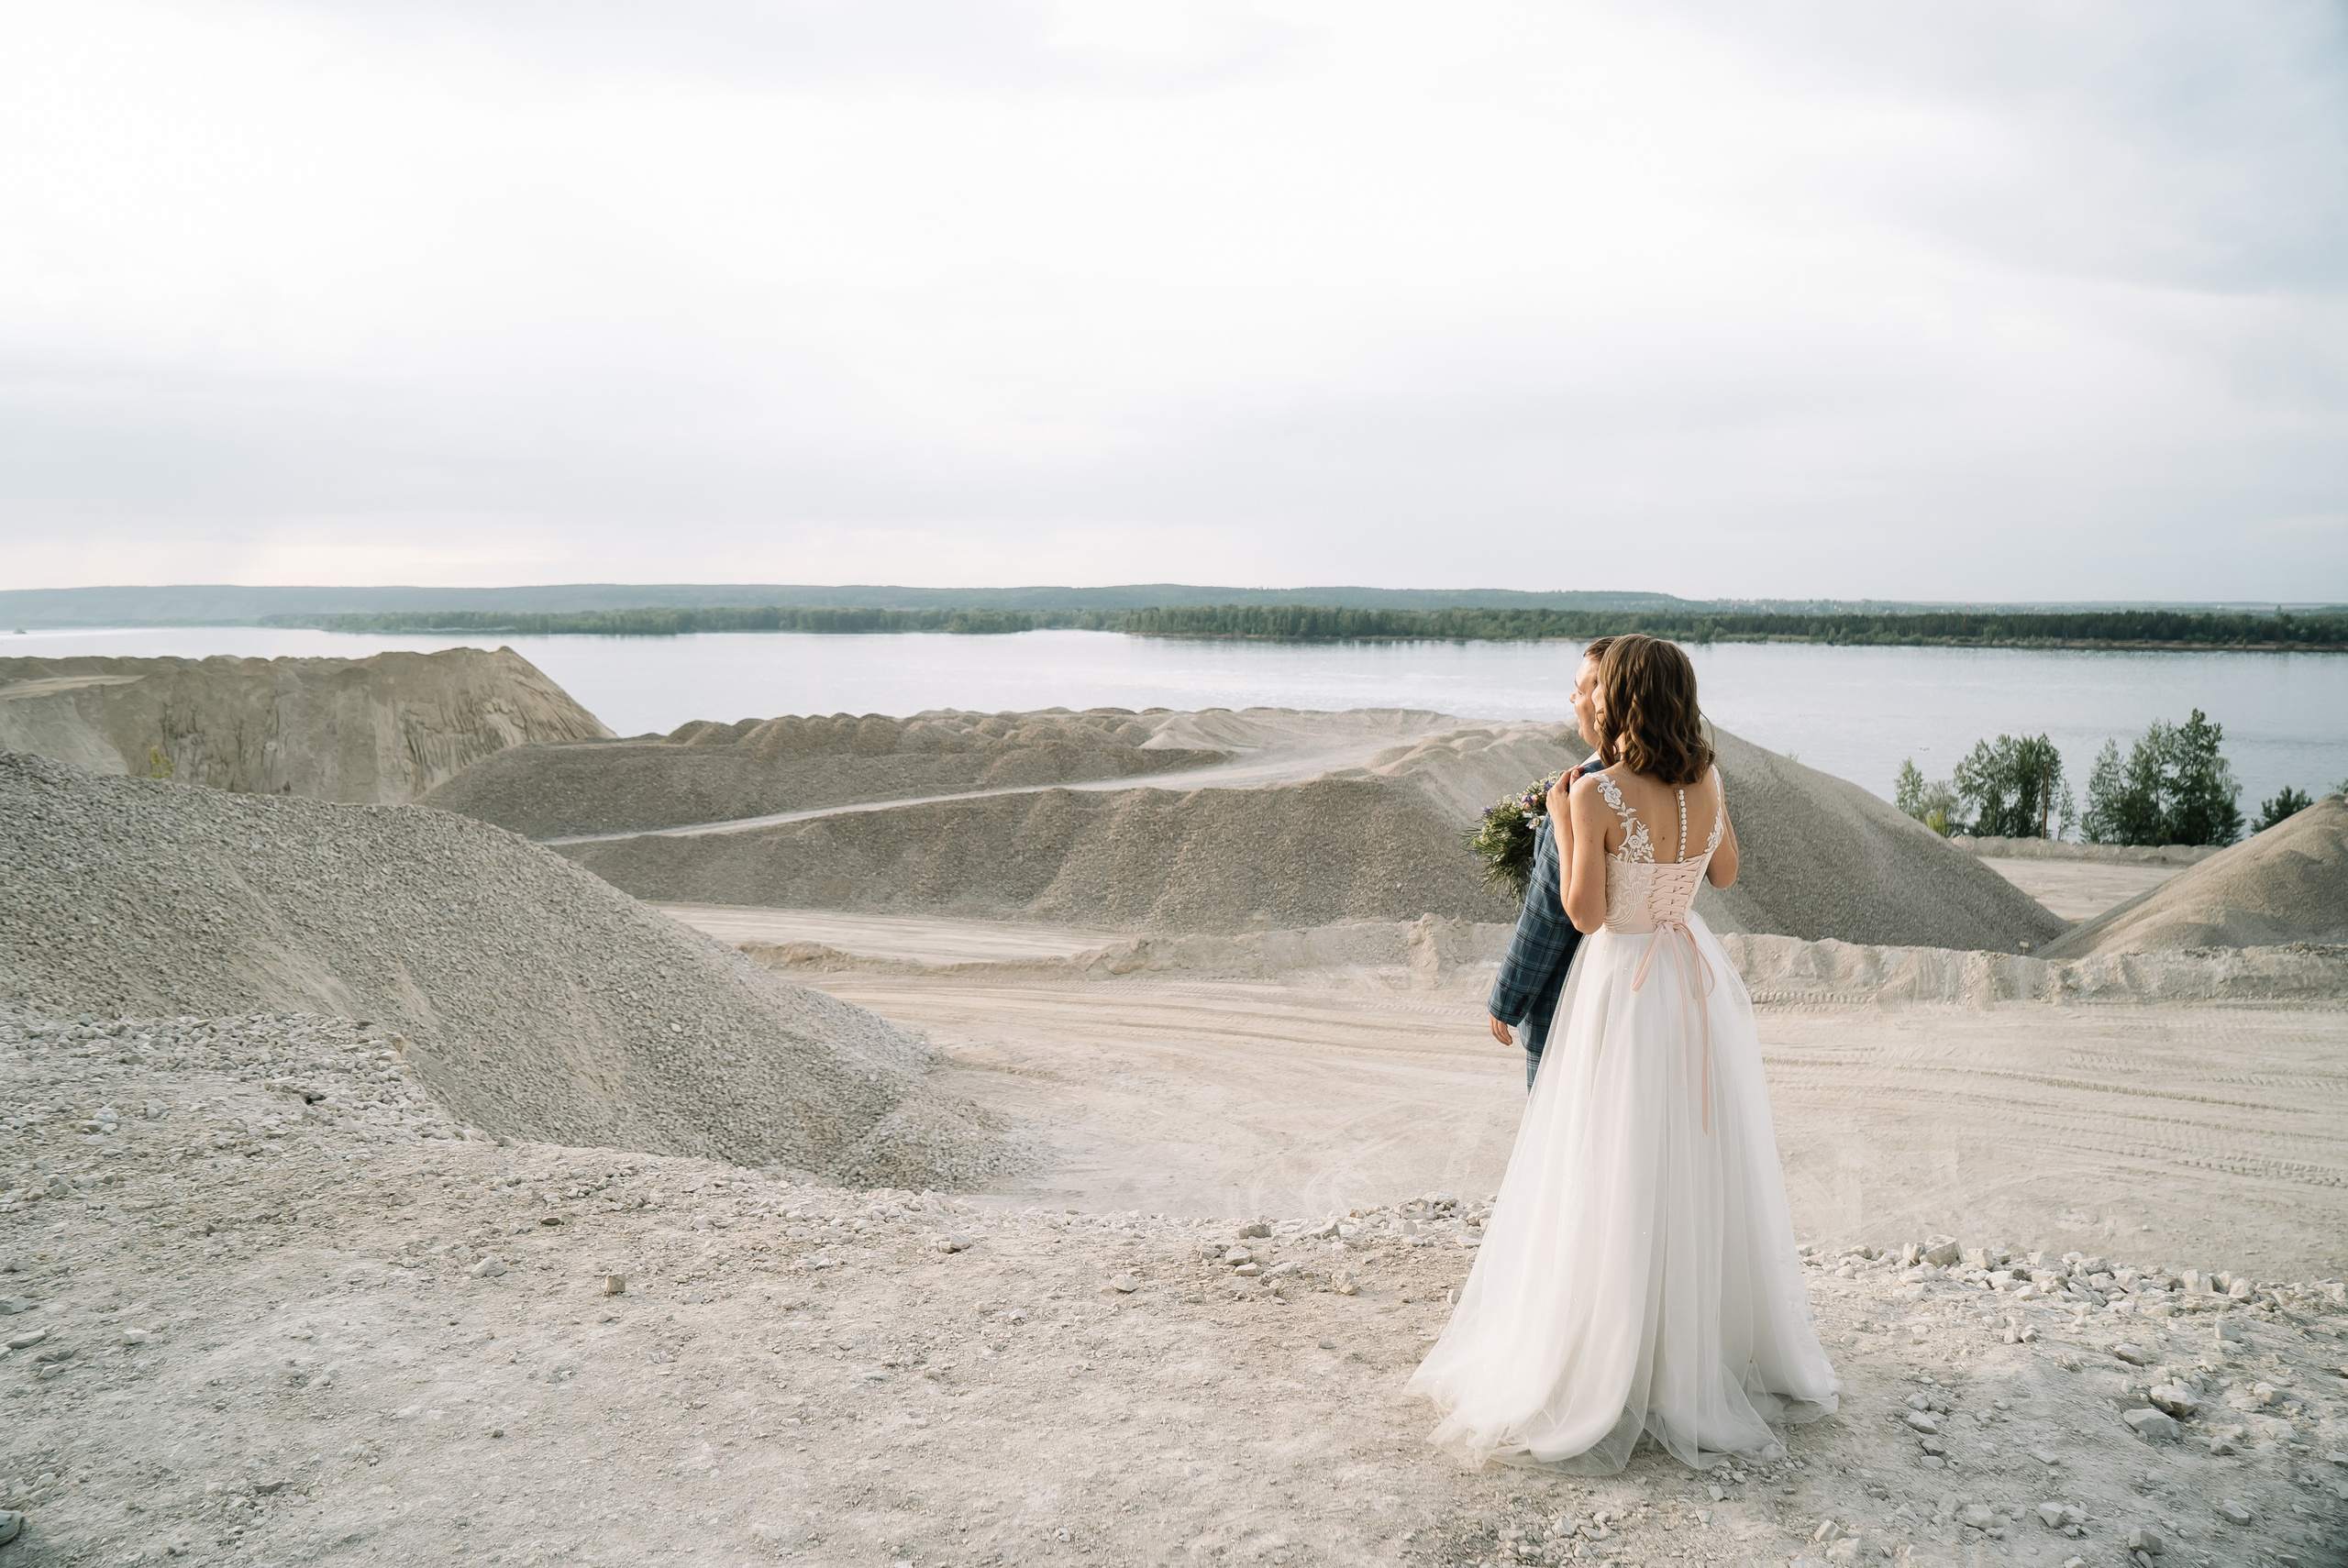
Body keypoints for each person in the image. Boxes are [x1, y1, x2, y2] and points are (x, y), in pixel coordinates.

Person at [1407, 635, 1837, 1473]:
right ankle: (1689, 1349)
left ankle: (1607, 1354)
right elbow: (1725, 875)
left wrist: (1568, 821)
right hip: (1691, 980)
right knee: (1690, 1157)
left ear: (1624, 699)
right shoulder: (1707, 780)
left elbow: (1586, 912)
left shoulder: (1598, 793)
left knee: (1609, 1158)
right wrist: (1696, 820)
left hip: (1622, 984)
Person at [1485, 637, 1611, 1090]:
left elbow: (1549, 911)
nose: (1572, 699)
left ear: (1605, 703)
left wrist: (1508, 995)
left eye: (1579, 690)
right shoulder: (1657, 783)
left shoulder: (1586, 790)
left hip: (1571, 995)